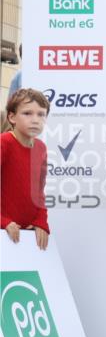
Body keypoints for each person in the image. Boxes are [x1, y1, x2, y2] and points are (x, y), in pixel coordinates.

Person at [2, 89, 51, 249]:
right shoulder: (4, 143)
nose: (35, 120)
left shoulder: (41, 148)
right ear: (12, 117)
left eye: (41, 114)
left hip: (28, 234)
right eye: (27, 113)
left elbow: (39, 191)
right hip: (4, 232)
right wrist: (3, 221)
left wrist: (40, 221)